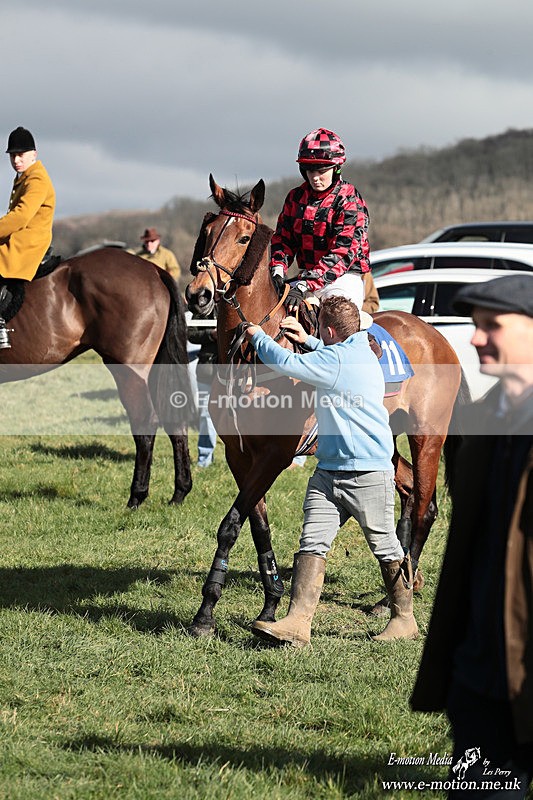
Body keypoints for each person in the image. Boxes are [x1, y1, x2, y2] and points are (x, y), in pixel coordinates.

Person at [411, 274, 533, 798]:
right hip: (481, 668)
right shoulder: (481, 421)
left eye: (491, 326)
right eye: (474, 327)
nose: (476, 339)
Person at [244, 295, 418, 646]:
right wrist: (305, 338)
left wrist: (256, 336)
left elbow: (285, 363)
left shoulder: (335, 360)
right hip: (330, 473)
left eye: (319, 330)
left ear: (328, 329)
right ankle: (297, 622)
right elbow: (328, 354)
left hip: (366, 474)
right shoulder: (359, 351)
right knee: (312, 542)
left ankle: (404, 619)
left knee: (385, 545)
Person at [270, 128, 371, 316]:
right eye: (309, 170)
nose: (315, 177)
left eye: (321, 170)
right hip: (306, 278)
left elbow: (343, 253)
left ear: (336, 168)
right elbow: (283, 240)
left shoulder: (349, 200)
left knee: (336, 322)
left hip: (342, 279)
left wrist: (305, 283)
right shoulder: (295, 197)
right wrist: (277, 268)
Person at [0, 126, 56, 347]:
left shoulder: (36, 180)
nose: (16, 160)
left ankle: (1, 325)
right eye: (13, 155)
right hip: (21, 238)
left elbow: (20, 217)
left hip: (29, 241)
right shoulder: (24, 177)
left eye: (21, 155)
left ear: (34, 154)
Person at [187, 310, 218, 467]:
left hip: (234, 371)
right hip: (207, 369)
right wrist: (211, 334)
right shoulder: (203, 306)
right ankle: (204, 459)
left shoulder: (238, 301)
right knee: (206, 415)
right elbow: (191, 333)